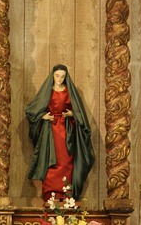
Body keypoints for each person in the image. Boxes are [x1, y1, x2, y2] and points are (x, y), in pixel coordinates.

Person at [24, 64, 95, 201]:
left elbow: (79, 112)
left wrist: (72, 114)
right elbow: (32, 110)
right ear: (52, 76)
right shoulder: (47, 91)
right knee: (51, 161)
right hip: (50, 131)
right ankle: (51, 194)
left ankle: (66, 193)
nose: (59, 79)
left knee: (66, 161)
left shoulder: (69, 92)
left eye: (62, 76)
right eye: (57, 76)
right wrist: (42, 116)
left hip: (65, 131)